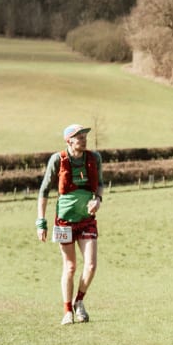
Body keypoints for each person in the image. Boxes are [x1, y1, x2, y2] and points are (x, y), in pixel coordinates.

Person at [36, 124, 104, 326]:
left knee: (91, 265)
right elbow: (44, 191)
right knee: (70, 267)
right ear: (69, 140)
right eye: (79, 137)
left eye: (84, 136)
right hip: (64, 221)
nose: (83, 139)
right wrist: (41, 222)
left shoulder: (94, 158)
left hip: (87, 220)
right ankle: (67, 311)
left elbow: (100, 183)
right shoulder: (57, 159)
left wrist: (98, 200)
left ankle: (79, 301)